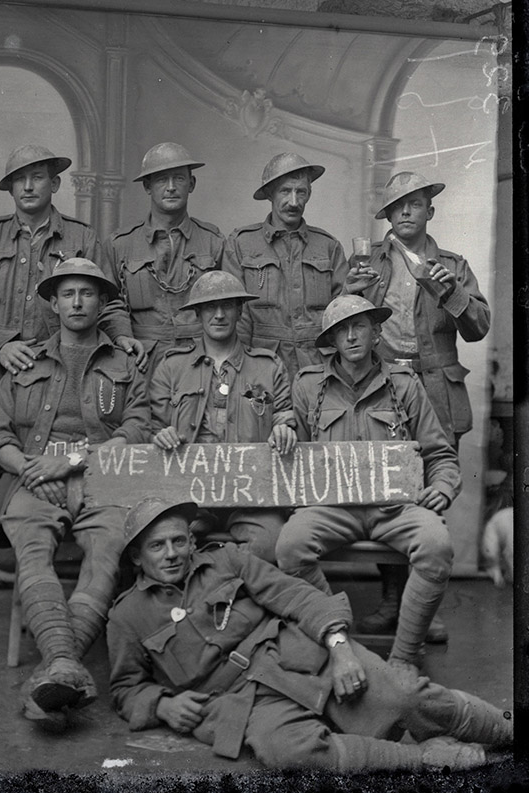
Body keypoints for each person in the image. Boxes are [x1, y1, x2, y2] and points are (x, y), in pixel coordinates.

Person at [107, 497, 511, 772]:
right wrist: (162, 706)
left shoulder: (225, 560)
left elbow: (296, 594)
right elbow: (126, 688)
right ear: (137, 556)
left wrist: (340, 648)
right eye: (157, 546)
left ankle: (506, 727)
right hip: (239, 703)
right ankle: (421, 758)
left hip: (300, 655)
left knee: (404, 695)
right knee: (290, 752)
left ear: (192, 541)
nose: (172, 553)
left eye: (179, 540)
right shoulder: (126, 616)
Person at [0, 144, 139, 592]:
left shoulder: (83, 239)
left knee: (65, 469)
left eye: (38, 177)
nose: (29, 186)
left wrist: (122, 334)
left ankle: (22, 566)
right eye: (19, 180)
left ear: (56, 184)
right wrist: (0, 345)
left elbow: (108, 301)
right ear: (9, 188)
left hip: (60, 376)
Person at [0, 258, 150, 730]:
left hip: (101, 479)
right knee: (32, 551)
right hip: (36, 479)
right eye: (69, 294)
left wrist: (76, 462)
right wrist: (36, 471)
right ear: (53, 304)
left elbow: (138, 427)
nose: (78, 302)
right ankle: (65, 667)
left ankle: (54, 668)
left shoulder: (124, 363)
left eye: (88, 294)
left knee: (106, 552)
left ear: (102, 303)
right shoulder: (26, 361)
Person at [275, 296, 460, 672]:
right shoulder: (309, 386)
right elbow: (291, 450)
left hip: (395, 507)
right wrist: (282, 429)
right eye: (342, 330)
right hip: (331, 506)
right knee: (290, 547)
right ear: (332, 340)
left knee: (436, 546)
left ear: (376, 333)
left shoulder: (404, 385)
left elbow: (440, 454)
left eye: (359, 326)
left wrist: (441, 488)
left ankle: (404, 660)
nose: (351, 336)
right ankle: (342, 644)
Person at [344, 171, 490, 641]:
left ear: (431, 209)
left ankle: (424, 609)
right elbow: (340, 329)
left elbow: (479, 328)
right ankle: (392, 602)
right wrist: (348, 292)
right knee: (388, 496)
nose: (406, 211)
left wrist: (451, 292)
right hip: (382, 390)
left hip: (438, 393)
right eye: (397, 205)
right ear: (386, 215)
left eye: (416, 203)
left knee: (433, 497)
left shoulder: (452, 265)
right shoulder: (367, 262)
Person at [150, 270, 297, 561]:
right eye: (209, 307)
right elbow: (153, 424)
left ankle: (226, 587)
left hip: (251, 494)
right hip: (187, 494)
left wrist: (285, 430)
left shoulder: (268, 366)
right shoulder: (172, 367)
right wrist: (159, 435)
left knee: (270, 542)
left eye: (227, 306)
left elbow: (283, 416)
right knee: (166, 544)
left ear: (240, 310)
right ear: (198, 314)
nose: (218, 315)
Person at [101, 142, 225, 379]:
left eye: (179, 179)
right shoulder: (120, 244)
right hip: (140, 361)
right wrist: (122, 335)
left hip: (201, 360)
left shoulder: (214, 242)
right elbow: (109, 302)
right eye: (161, 180)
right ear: (148, 186)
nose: (170, 188)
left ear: (192, 184)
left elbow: (229, 307)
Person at [223, 152, 349, 381]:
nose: (294, 202)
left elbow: (341, 315)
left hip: (319, 369)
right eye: (285, 191)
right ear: (270, 194)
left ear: (309, 194)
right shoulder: (241, 243)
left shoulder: (328, 246)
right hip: (261, 367)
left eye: (301, 192)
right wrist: (239, 370)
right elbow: (236, 317)